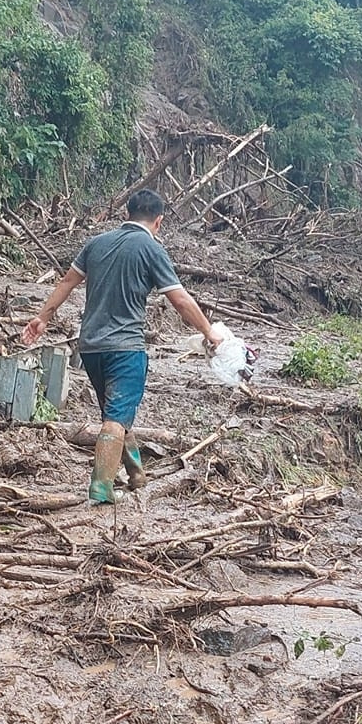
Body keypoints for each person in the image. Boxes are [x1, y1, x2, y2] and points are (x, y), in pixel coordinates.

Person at [21, 189, 230, 504]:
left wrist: (42, 317)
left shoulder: (96, 244)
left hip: (90, 347)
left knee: (116, 413)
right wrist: (208, 331)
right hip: (125, 348)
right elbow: (180, 300)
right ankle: (101, 487)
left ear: (126, 214)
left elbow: (66, 282)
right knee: (116, 418)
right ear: (158, 221)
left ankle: (135, 474)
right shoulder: (151, 249)